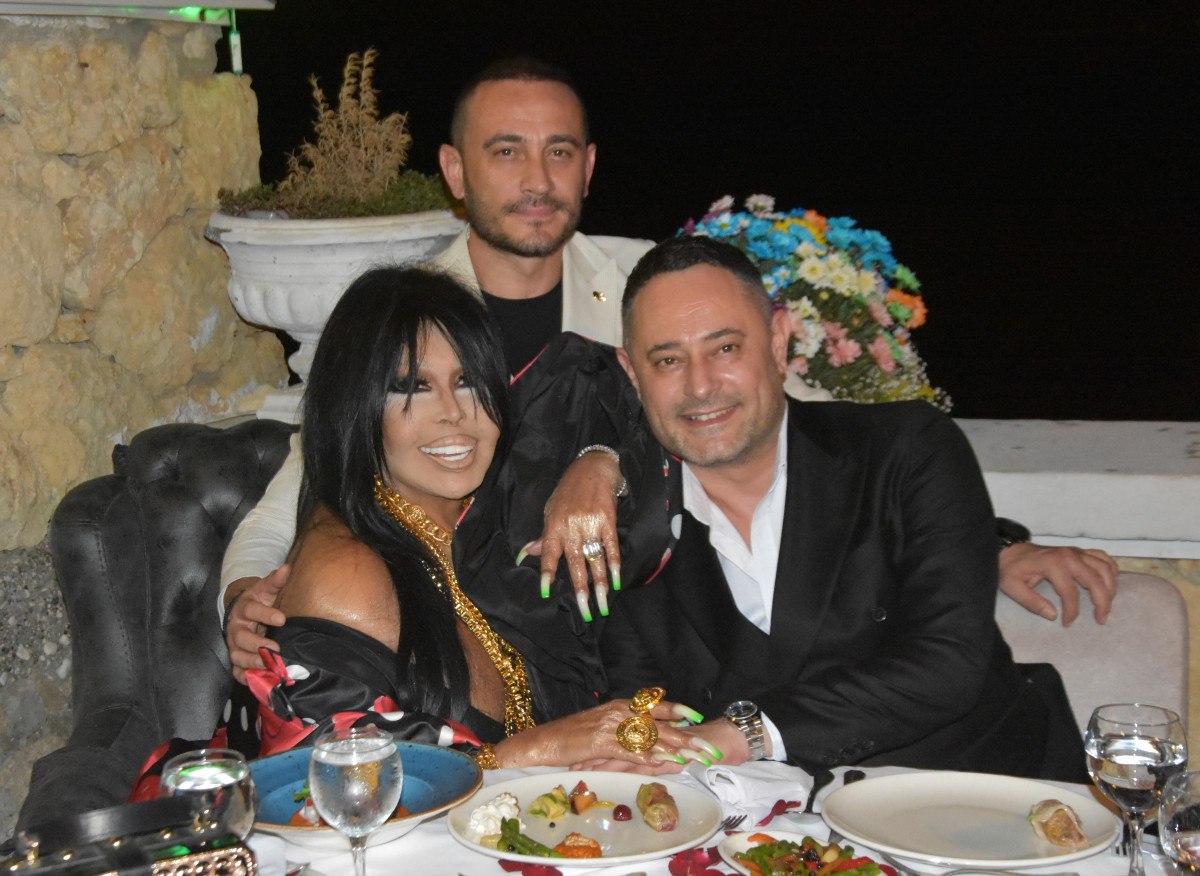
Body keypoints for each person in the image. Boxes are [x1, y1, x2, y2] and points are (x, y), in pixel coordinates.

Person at [222, 56, 1117, 686]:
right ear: (455, 171)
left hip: (622, 645)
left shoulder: (646, 283)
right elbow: (312, 476)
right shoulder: (402, 320)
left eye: (560, 151)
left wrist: (985, 542)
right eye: (506, 151)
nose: (537, 178)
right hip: (457, 651)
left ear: (588, 167)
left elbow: (800, 425)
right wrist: (243, 595)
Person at [592, 236, 1086, 781]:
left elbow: (946, 663)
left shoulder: (907, 449)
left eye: (725, 348)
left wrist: (745, 734)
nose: (701, 385)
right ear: (632, 374)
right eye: (667, 360)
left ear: (778, 342)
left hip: (979, 792)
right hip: (761, 819)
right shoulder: (625, 529)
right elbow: (646, 709)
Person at [242, 262, 717, 771]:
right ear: (357, 407)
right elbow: (331, 783)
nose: (453, 412)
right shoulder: (348, 575)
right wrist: (539, 748)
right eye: (413, 388)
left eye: (467, 381)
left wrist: (601, 464)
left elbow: (654, 408)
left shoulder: (485, 508)